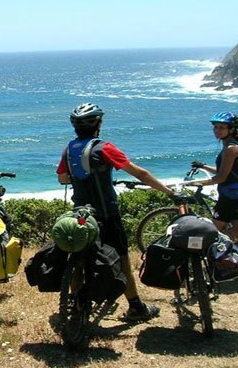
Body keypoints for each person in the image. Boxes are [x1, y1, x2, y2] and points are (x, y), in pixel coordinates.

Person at [57, 103, 178, 322]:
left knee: (79, 256)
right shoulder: (105, 148)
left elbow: (63, 178)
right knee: (122, 260)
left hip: (81, 214)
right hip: (106, 215)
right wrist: (169, 192)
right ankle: (136, 307)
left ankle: (74, 302)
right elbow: (139, 173)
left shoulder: (69, 149)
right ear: (98, 124)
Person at [186, 111, 238, 242]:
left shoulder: (230, 149)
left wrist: (197, 183)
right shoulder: (232, 145)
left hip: (228, 196)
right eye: (215, 127)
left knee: (211, 233)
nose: (217, 130)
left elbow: (221, 178)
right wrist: (203, 166)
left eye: (222, 128)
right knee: (237, 238)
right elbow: (225, 171)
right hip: (234, 194)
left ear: (231, 129)